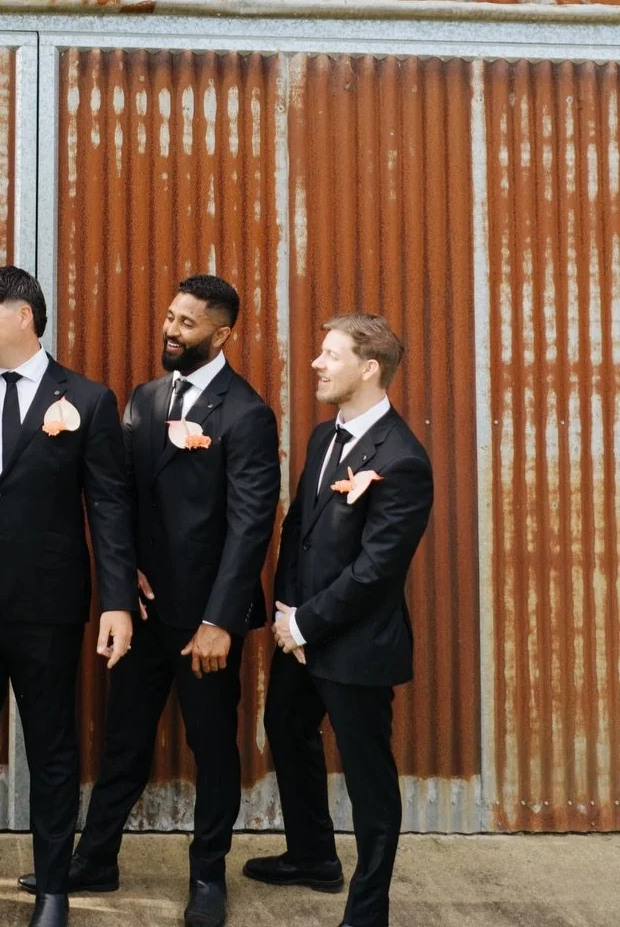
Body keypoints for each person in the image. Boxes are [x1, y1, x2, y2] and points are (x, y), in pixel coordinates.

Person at [26, 275, 280, 927]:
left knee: (212, 748)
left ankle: (207, 875)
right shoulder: (144, 398)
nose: (170, 330)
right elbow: (121, 495)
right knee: (124, 740)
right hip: (143, 610)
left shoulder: (246, 414)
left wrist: (220, 621)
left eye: (187, 323)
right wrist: (126, 569)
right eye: (170, 316)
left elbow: (250, 527)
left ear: (222, 334)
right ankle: (96, 859)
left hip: (204, 623)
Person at [0, 266, 135, 927]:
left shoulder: (88, 400)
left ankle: (53, 888)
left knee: (53, 749)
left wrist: (116, 601)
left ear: (23, 315)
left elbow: (108, 506)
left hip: (48, 608)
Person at [245, 313, 433, 927]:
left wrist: (305, 624)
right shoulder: (324, 437)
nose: (316, 364)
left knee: (367, 775)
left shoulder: (402, 459)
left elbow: (376, 571)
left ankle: (368, 909)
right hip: (300, 632)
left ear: (369, 368)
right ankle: (313, 856)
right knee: (286, 726)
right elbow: (299, 526)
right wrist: (286, 611)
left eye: (330, 355)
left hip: (356, 644)